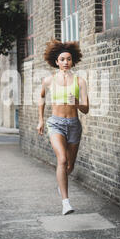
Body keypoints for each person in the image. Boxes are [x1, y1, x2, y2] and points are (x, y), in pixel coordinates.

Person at [37, 39, 89, 215]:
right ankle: (66, 202)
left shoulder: (80, 81)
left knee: (70, 166)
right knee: (62, 160)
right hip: (56, 124)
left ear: (72, 61)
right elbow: (41, 98)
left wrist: (76, 103)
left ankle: (62, 185)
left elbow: (86, 109)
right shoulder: (49, 80)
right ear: (56, 62)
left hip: (74, 125)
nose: (65, 62)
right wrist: (41, 120)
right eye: (62, 59)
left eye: (68, 59)